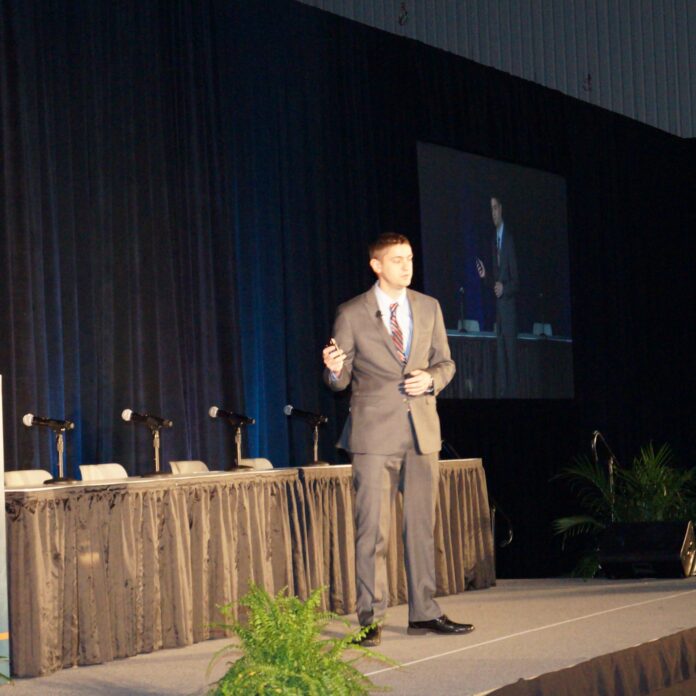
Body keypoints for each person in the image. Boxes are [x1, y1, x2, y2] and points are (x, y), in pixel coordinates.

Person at [322, 232, 474, 647]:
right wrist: (333, 369)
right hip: (374, 436)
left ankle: (424, 613)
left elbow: (446, 363)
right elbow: (340, 380)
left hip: (422, 433)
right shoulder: (352, 312)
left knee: (421, 528)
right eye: (397, 260)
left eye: (409, 258)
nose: (406, 266)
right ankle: (370, 619)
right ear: (376, 265)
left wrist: (431, 379)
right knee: (372, 532)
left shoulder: (428, 307)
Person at [476, 196, 519, 398]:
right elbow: (496, 282)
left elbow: (516, 282)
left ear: (501, 209)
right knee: (501, 365)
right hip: (499, 315)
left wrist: (505, 288)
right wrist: (486, 277)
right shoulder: (494, 240)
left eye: (494, 208)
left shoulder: (509, 239)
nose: (492, 213)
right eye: (490, 209)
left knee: (511, 365)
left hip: (509, 314)